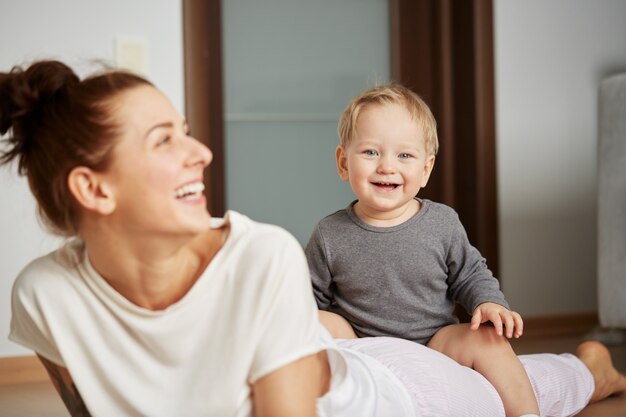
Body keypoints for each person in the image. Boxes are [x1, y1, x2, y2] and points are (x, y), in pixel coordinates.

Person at [2, 60, 625, 417]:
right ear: (94, 189)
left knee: (513, 383)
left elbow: (468, 274)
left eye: (186, 129)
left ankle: (592, 367)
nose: (202, 152)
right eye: (165, 140)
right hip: (353, 349)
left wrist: (488, 306)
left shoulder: (260, 256)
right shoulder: (44, 295)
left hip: (397, 384)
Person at [305, 83, 530, 417]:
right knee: (315, 321)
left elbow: (470, 274)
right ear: (343, 162)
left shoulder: (442, 222)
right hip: (363, 348)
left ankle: (526, 413)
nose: (386, 166)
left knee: (488, 341)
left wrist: (488, 302)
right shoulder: (329, 233)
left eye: (405, 155)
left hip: (435, 342)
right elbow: (310, 295)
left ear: (425, 169)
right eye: (370, 152)